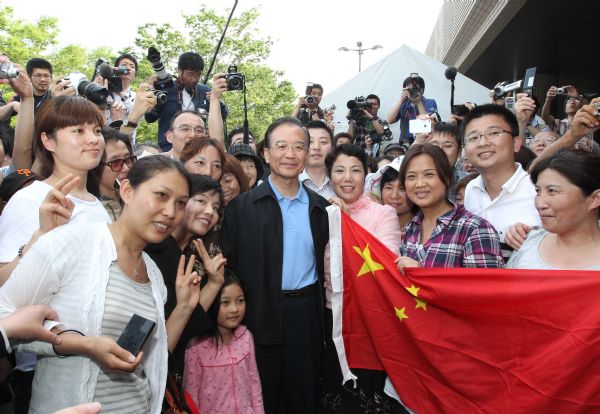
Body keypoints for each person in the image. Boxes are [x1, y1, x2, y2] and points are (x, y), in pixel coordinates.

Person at [0, 156, 201, 413]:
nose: (171, 212)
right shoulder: (70, 243)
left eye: (181, 203)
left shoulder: (155, 274)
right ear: (127, 191)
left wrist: (184, 307)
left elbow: (152, 358)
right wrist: (84, 344)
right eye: (161, 195)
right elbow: (6, 320)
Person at [221, 117, 329, 414]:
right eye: (281, 146)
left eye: (298, 147)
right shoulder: (242, 209)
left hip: (306, 314)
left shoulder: (322, 209)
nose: (290, 154)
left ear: (307, 155)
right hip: (256, 315)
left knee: (304, 395)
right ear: (266, 154)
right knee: (260, 397)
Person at [322, 144, 402, 412]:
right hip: (330, 315)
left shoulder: (383, 213)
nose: (347, 177)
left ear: (366, 174)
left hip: (369, 317)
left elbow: (386, 263)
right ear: (330, 176)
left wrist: (347, 223)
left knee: (365, 395)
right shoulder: (322, 212)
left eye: (355, 170)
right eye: (340, 170)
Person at [145, 174, 226, 405]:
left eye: (216, 207)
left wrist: (215, 283)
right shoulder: (155, 248)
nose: (210, 211)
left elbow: (186, 323)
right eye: (201, 201)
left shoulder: (190, 255)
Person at [397, 144, 504, 269]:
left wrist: (422, 273)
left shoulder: (475, 229)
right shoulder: (410, 229)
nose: (420, 183)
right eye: (411, 177)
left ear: (447, 178)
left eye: (429, 174)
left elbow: (485, 286)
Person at [462, 104, 540, 259]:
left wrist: (536, 239)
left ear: (516, 143)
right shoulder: (471, 189)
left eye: (493, 133)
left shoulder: (536, 190)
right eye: (473, 137)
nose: (483, 142)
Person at [184, 274, 264, 413]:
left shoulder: (246, 337)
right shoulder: (196, 346)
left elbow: (254, 385)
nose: (235, 309)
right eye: (225, 302)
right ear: (212, 304)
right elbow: (191, 397)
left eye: (240, 300)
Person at [507, 150, 600, 269]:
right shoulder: (527, 244)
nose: (540, 204)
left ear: (595, 199)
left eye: (552, 191)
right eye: (538, 191)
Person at [145, 51, 228, 151]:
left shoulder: (205, 91)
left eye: (198, 75)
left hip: (198, 149)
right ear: (180, 71)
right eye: (190, 74)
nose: (194, 79)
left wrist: (216, 102)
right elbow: (149, 118)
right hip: (168, 149)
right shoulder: (165, 90)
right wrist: (152, 94)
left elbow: (224, 112)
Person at [88, 127, 135, 221]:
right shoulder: (89, 208)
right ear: (95, 166)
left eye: (128, 159)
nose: (125, 168)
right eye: (116, 163)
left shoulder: (138, 194)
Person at [386, 74, 438, 144]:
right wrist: (401, 100)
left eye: (415, 89)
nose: (412, 92)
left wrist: (418, 102)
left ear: (422, 90)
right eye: (409, 90)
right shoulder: (403, 104)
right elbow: (389, 120)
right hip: (405, 143)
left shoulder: (430, 102)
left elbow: (429, 124)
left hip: (424, 142)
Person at [300, 120, 335, 199]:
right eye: (310, 141)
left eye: (323, 142)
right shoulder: (290, 183)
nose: (316, 147)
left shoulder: (342, 184)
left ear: (332, 148)